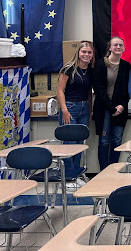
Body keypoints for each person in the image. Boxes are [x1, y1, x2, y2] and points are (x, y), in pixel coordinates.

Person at [92, 37, 131, 171]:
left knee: (116, 141)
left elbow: (128, 89)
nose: (118, 47)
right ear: (110, 47)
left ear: (124, 48)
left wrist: (121, 106)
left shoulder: (126, 66)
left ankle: (114, 171)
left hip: (120, 110)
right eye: (115, 45)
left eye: (121, 45)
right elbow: (98, 89)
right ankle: (104, 171)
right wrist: (111, 107)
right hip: (103, 109)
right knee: (104, 142)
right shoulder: (100, 64)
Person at [57, 40, 95, 175]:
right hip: (69, 107)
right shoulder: (68, 69)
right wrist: (64, 110)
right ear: (78, 53)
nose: (86, 54)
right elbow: (60, 90)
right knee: (70, 142)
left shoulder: (90, 71)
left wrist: (90, 110)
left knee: (80, 143)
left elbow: (89, 92)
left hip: (84, 108)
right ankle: (68, 174)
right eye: (83, 52)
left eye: (89, 52)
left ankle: (77, 173)